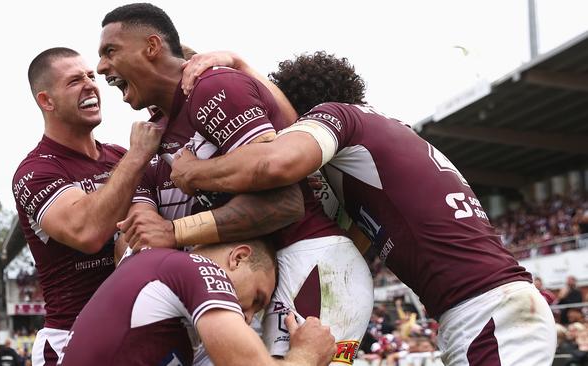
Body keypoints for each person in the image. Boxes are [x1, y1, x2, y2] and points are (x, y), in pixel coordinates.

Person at [169, 50, 557, 365]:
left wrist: (196, 173)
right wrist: (244, 68)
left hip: (489, 312)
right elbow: (353, 242)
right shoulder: (379, 145)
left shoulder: (339, 118)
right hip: (481, 309)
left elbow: (276, 162)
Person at [96, 4, 374, 364]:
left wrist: (174, 229)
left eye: (109, 51)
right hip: (274, 272)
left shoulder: (211, 87)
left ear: (151, 47)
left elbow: (285, 201)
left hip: (312, 264)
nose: (101, 66)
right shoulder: (162, 132)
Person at [12, 47, 162, 366]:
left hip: (139, 333)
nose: (91, 84)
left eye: (91, 76)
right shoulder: (35, 171)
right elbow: (87, 233)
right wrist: (138, 156)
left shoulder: (119, 156)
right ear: (46, 101)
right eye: (74, 81)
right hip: (72, 341)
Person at [57, 238, 336, 366]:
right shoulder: (198, 269)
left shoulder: (158, 278)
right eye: (256, 299)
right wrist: (307, 354)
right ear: (237, 257)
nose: (249, 316)